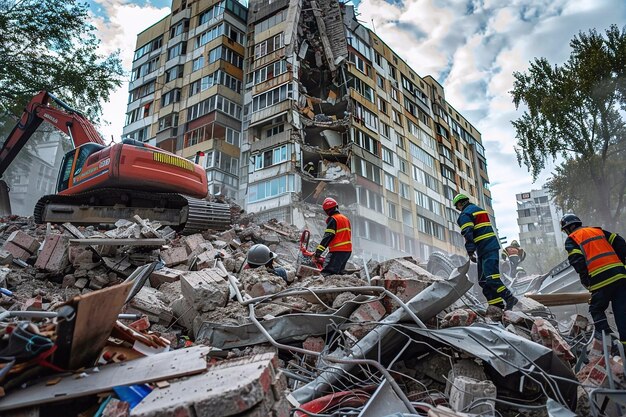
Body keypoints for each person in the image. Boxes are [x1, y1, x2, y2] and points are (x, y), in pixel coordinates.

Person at [561, 213, 626, 346]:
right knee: (621, 311)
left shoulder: (572, 239)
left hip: (600, 279)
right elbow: (621, 243)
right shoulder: (598, 231)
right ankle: (624, 346)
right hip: (620, 276)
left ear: (568, 228)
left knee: (596, 309)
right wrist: (621, 265)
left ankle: (607, 342)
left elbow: (578, 262)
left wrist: (587, 281)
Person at [454, 194, 518, 310]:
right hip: (487, 249)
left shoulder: (465, 214)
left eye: (457, 207)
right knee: (483, 281)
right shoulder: (480, 211)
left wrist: (470, 251)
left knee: (491, 279)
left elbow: (468, 232)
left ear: (459, 204)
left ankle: (509, 298)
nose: (458, 210)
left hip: (486, 249)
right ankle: (496, 305)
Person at [314, 197, 352, 276]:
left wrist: (318, 252)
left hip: (337, 251)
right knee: (339, 273)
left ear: (326, 211)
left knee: (327, 272)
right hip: (347, 251)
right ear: (336, 207)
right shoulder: (345, 219)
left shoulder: (333, 219)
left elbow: (328, 236)